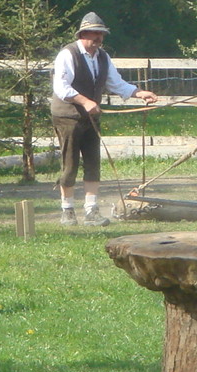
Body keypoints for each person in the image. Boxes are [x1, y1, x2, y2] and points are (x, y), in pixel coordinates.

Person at [51, 12, 157, 226]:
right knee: (70, 165)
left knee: (93, 163)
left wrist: (139, 93)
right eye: (94, 33)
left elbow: (116, 83)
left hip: (91, 117)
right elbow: (61, 88)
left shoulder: (102, 57)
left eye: (101, 34)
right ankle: (67, 210)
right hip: (67, 116)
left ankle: (91, 211)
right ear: (83, 34)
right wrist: (85, 101)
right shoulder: (68, 54)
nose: (98, 37)